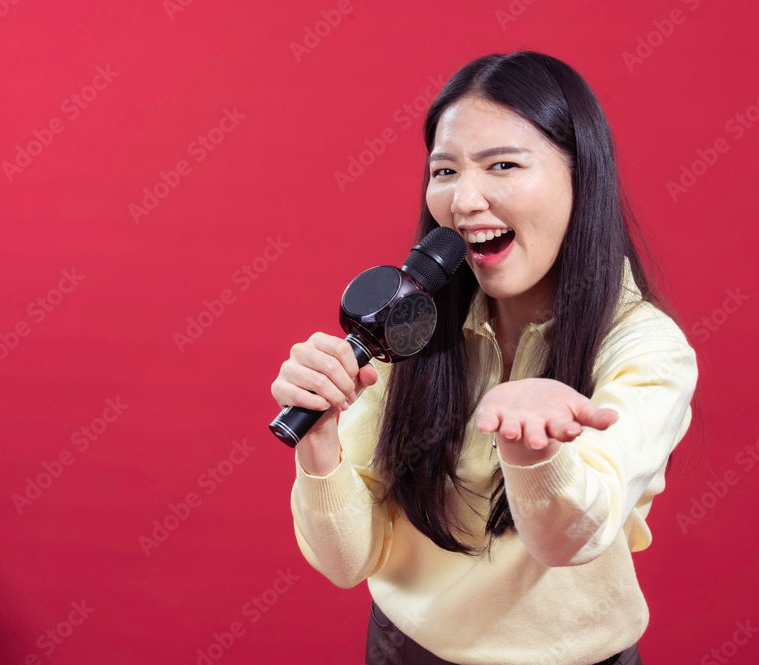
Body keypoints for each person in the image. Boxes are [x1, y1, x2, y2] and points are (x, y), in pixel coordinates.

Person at [271, 50, 701, 665]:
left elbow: (570, 538)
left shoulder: (645, 347)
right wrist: (320, 444)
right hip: (402, 649)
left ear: (584, 176)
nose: (465, 200)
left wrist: (533, 449)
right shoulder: (410, 324)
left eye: (502, 165)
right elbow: (347, 562)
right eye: (444, 171)